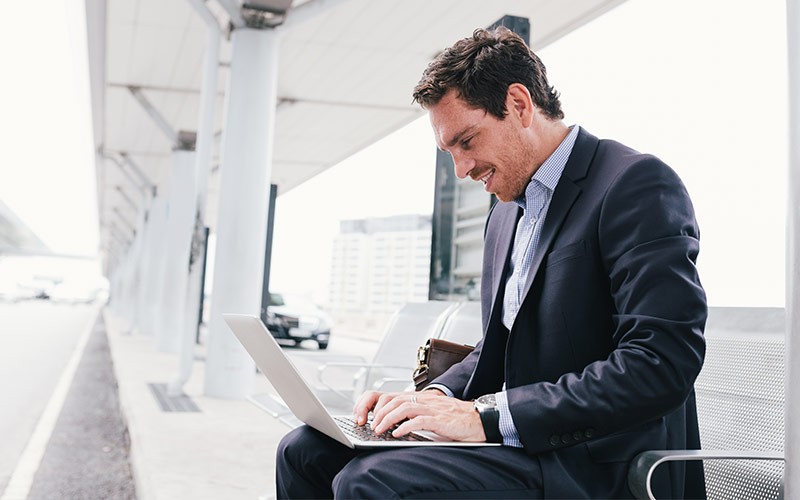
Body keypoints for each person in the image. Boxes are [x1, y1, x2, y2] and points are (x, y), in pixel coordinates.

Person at [276, 26, 706, 499]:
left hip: (598, 463)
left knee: (371, 482)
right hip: (522, 450)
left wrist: (487, 417)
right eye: (449, 153)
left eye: (467, 141)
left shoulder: (633, 184)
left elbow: (659, 363)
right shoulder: (504, 215)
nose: (461, 170)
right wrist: (430, 400)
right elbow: (499, 345)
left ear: (519, 105)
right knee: (304, 450)